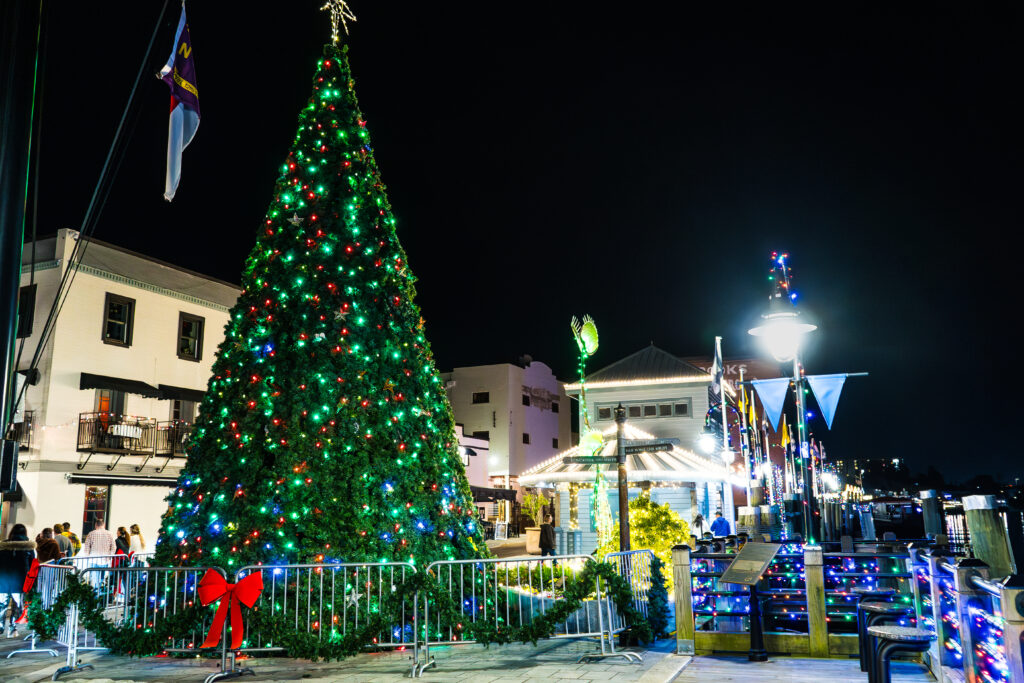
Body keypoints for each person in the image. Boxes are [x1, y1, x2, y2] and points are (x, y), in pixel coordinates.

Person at [0, 524, 35, 638]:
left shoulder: (3, 545)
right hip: (19, 581)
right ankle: (12, 629)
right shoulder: (28, 547)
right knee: (17, 605)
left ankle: (0, 627)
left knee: (2, 605)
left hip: (3, 579)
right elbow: (32, 564)